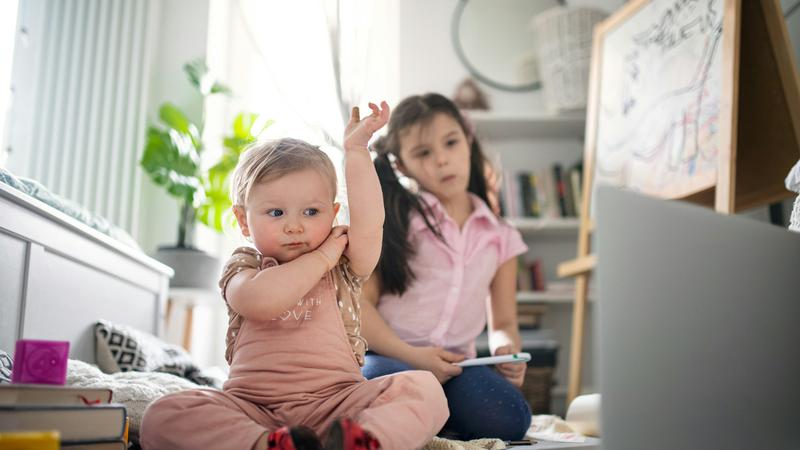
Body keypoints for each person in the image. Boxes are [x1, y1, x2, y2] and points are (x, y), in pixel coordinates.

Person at [140, 102, 449, 450]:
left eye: (311, 211)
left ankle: (364, 441)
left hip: (339, 404)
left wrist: (356, 152)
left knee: (425, 390)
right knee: (164, 414)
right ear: (244, 221)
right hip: (253, 408)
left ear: (332, 214)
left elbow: (371, 223)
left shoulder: (343, 265)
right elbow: (260, 301)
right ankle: (266, 445)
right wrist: (322, 256)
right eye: (275, 212)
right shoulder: (246, 267)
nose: (294, 225)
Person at [361, 93, 532, 441]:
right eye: (423, 153)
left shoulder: (501, 236)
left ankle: (422, 419)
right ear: (402, 166)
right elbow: (360, 307)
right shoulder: (394, 222)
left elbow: (504, 322)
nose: (442, 160)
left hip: (457, 367)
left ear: (468, 141)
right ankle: (424, 417)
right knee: (383, 389)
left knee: (513, 418)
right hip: (389, 357)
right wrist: (413, 356)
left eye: (450, 143)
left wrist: (505, 349)